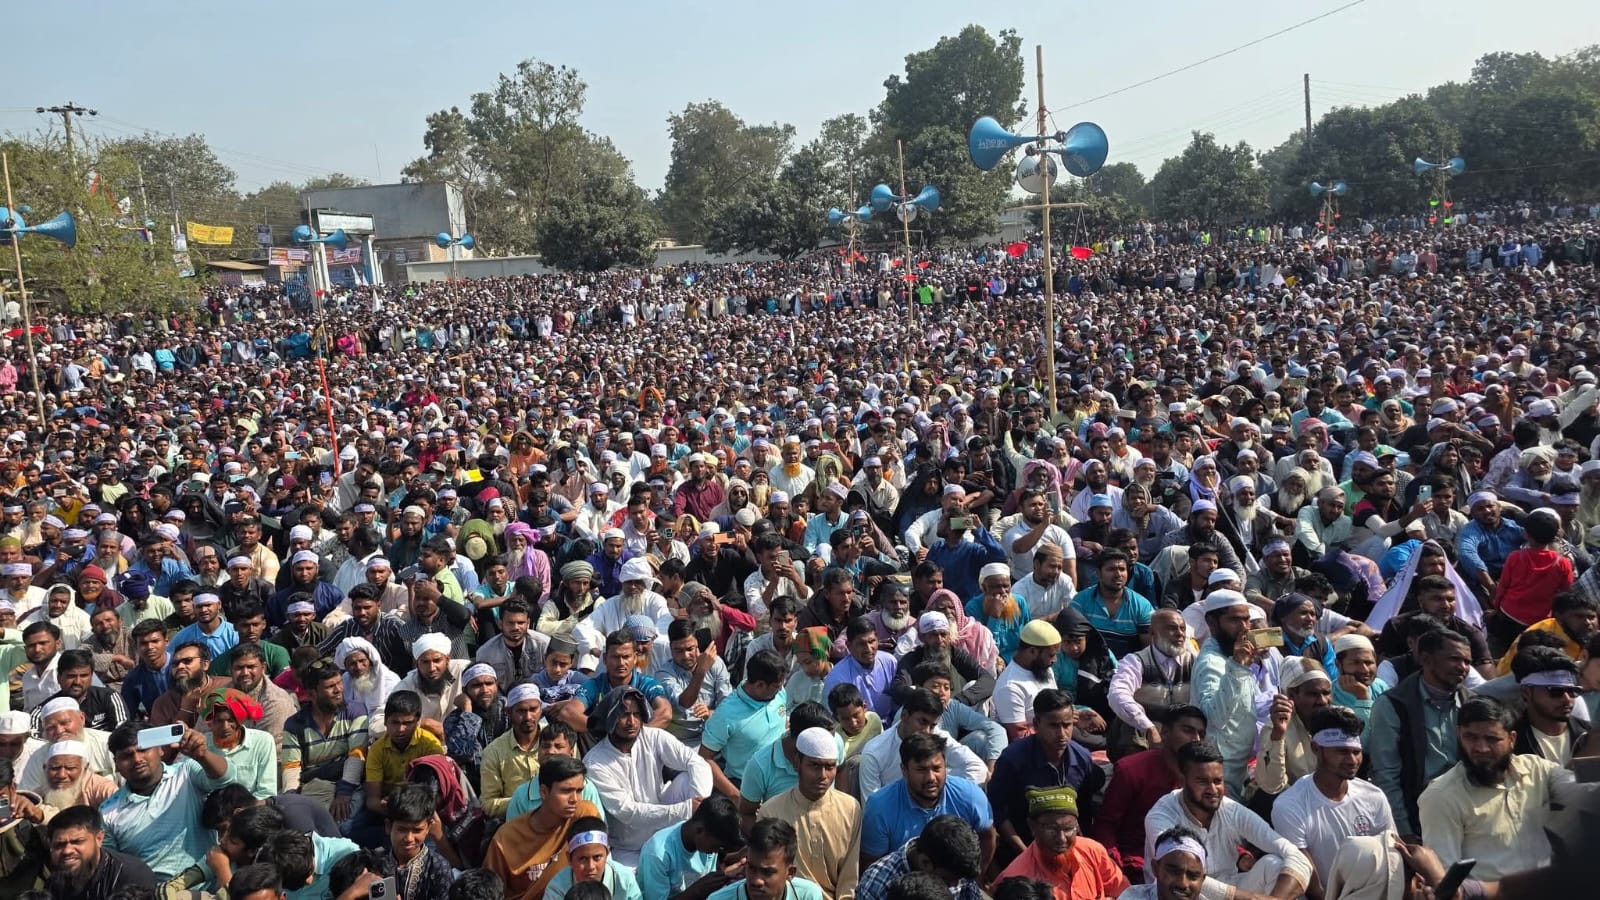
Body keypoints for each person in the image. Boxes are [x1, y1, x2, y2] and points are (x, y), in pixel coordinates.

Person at [1418, 695, 1585, 880]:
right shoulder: (1441, 796)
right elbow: (1444, 876)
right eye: (1471, 737)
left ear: (1512, 739)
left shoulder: (1537, 770)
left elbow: (1582, 791)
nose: (1481, 748)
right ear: (1458, 734)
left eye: (1492, 739)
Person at [1142, 740, 1312, 900]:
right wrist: (1253, 898)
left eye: (1217, 781)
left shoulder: (1230, 809)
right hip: (1179, 894)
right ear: (1182, 781)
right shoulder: (1161, 815)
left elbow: (1295, 855)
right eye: (1202, 781)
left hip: (1233, 893)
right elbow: (1180, 874)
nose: (1213, 790)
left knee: (1274, 864)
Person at [1270, 706, 1395, 895]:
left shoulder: (1374, 796)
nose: (1352, 760)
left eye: (1356, 751)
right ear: (1315, 748)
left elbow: (1392, 855)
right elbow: (1310, 880)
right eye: (1342, 751)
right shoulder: (1289, 805)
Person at [583, 686, 713, 865]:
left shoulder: (653, 736)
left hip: (665, 826)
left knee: (686, 778)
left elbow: (696, 762)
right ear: (610, 718)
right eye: (624, 715)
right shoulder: (595, 762)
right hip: (628, 847)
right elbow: (627, 811)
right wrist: (685, 809)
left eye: (637, 714)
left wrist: (701, 805)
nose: (632, 722)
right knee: (633, 891)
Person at [1364, 628, 1473, 836]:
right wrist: (1405, 832)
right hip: (1418, 820)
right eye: (1454, 659)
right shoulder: (1394, 705)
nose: (1463, 668)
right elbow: (1386, 775)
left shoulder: (1473, 703)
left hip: (1469, 817)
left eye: (1467, 662)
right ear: (1426, 659)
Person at [99, 720, 234, 881]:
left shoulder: (186, 773)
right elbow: (111, 867)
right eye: (127, 755)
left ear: (160, 749)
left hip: (209, 888)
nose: (137, 759)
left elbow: (225, 777)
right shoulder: (107, 812)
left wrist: (203, 755)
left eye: (143, 750)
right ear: (116, 764)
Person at [1090, 705, 1209, 874]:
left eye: (1201, 734)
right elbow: (1106, 824)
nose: (1196, 739)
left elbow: (1220, 821)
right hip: (1135, 863)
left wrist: (1242, 855)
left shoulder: (1206, 775)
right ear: (1165, 733)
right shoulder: (1131, 769)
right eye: (1188, 731)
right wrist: (1112, 861)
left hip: (1194, 864)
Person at [990, 690, 1105, 858]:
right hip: (1022, 846)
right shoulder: (1013, 759)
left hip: (1066, 845)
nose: (1062, 734)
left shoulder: (1082, 758)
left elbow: (1084, 812)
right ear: (1036, 724)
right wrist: (1025, 854)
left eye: (1067, 725)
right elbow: (997, 811)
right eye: (1053, 726)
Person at [860, 731, 995, 868]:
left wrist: (977, 877)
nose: (931, 778)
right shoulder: (880, 807)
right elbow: (871, 863)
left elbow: (987, 837)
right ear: (904, 770)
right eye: (921, 770)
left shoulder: (970, 795)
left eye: (937, 768)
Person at [757, 726, 862, 900]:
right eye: (814, 765)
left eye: (830, 767)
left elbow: (849, 879)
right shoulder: (770, 812)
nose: (823, 775)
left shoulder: (850, 809)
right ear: (797, 763)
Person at [1192, 590, 1281, 798]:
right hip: (1220, 768)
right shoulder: (1211, 663)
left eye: (1247, 620)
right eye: (1234, 620)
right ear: (1212, 623)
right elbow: (1215, 716)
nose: (1244, 628)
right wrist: (1239, 668)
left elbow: (1244, 706)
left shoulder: (1233, 656)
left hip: (1240, 766)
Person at [483, 755, 603, 900]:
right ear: (544, 792)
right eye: (566, 791)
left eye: (579, 791)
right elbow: (488, 891)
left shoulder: (585, 814)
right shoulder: (506, 838)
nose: (574, 799)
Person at [995, 785, 1128, 900]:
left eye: (1069, 829)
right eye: (1052, 829)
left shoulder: (1093, 851)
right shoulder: (1017, 881)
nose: (1062, 839)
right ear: (1032, 827)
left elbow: (1125, 893)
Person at [857, 688, 987, 797]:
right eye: (922, 722)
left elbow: (978, 768)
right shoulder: (874, 752)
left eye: (932, 725)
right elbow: (872, 805)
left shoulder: (936, 735)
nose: (927, 731)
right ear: (904, 716)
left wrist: (946, 796)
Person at [281, 658, 369, 820]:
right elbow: (291, 768)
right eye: (330, 687)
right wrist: (291, 799)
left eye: (339, 683)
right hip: (314, 785)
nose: (339, 690)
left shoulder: (355, 712)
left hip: (349, 782)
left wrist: (344, 793)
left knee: (344, 824)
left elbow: (357, 755)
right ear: (311, 694)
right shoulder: (295, 725)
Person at [358, 690, 444, 847]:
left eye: (407, 723)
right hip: (388, 810)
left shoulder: (431, 746)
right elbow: (372, 801)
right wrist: (396, 810)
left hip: (421, 811)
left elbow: (436, 797)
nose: (401, 729)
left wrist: (407, 809)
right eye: (395, 723)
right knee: (349, 830)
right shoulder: (377, 750)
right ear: (385, 721)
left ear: (418, 721)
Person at [1107, 609, 1195, 758]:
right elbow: (1117, 694)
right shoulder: (1135, 661)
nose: (1180, 634)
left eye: (1182, 628)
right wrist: (1148, 727)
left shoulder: (1194, 661)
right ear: (1153, 633)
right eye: (1172, 628)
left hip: (1179, 732)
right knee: (1128, 720)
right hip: (1145, 733)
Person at [701, 649, 789, 791]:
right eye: (777, 687)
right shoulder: (725, 714)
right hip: (745, 784)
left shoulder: (779, 692)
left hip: (780, 779)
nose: (780, 690)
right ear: (760, 685)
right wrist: (735, 795)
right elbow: (705, 758)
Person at [636, 795, 746, 900]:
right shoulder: (658, 854)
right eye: (717, 846)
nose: (716, 852)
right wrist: (697, 890)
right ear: (699, 830)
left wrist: (724, 875)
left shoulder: (706, 841)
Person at [855, 814, 985, 900]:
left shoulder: (956, 869)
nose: (956, 886)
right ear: (925, 862)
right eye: (948, 881)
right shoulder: (877, 884)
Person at [42, 804, 157, 900]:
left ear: (99, 839)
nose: (67, 851)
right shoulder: (56, 881)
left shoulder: (131, 877)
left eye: (77, 842)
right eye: (59, 845)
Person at [707, 818, 827, 900]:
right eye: (751, 868)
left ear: (790, 873)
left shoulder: (808, 895)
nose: (757, 881)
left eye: (767, 872)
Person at [1510, 646, 1591, 765]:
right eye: (1555, 691)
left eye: (1572, 691)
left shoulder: (1590, 735)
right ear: (1526, 692)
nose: (1567, 699)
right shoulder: (1509, 741)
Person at [385, 783, 463, 900]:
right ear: (388, 827)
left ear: (428, 828)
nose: (409, 838)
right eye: (402, 829)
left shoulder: (438, 868)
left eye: (417, 830)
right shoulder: (376, 864)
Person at [479, 682, 546, 819]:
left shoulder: (559, 741)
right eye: (521, 711)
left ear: (541, 709)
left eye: (533, 709)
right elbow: (488, 804)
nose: (528, 717)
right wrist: (526, 803)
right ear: (508, 712)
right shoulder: (494, 752)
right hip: (516, 826)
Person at [203, 687, 277, 799]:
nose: (225, 727)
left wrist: (241, 811)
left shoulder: (263, 741)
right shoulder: (201, 745)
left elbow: (266, 792)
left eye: (231, 720)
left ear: (240, 720)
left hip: (250, 811)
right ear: (210, 723)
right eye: (219, 721)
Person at [994, 619, 1062, 740]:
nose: (1055, 660)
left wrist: (1077, 716)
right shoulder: (1010, 687)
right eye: (1051, 655)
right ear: (1032, 651)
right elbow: (1021, 738)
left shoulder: (1044, 669)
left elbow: (1057, 706)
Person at [546, 817, 644, 900]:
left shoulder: (624, 880)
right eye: (583, 859)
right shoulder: (558, 887)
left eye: (597, 857)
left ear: (607, 854)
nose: (590, 866)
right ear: (569, 858)